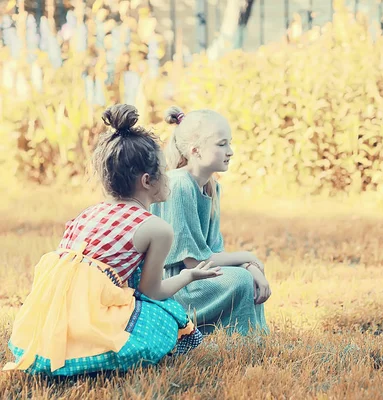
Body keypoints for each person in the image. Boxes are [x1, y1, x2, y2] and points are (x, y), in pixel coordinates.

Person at [3, 104, 222, 377]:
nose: (169, 177)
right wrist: (189, 276)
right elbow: (151, 292)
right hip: (89, 319)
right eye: (164, 172)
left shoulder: (90, 213)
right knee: (166, 317)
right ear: (147, 181)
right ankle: (96, 355)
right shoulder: (156, 228)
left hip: (45, 324)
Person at [149, 106, 270, 336]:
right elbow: (194, 263)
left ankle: (255, 337)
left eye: (229, 143)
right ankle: (241, 339)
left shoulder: (212, 186)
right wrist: (249, 258)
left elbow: (214, 250)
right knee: (242, 280)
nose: (230, 151)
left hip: (197, 275)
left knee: (246, 276)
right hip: (176, 284)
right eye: (222, 144)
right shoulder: (180, 185)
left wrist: (249, 267)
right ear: (196, 150)